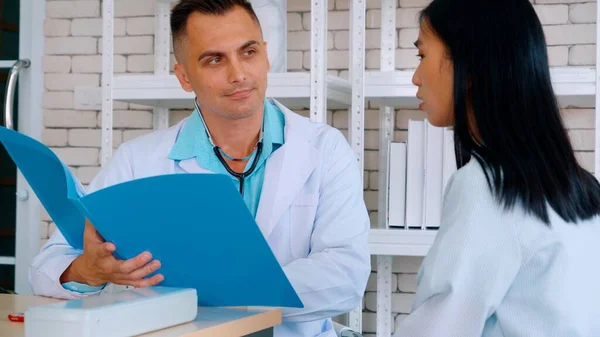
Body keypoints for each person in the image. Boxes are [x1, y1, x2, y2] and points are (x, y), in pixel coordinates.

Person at [28, 1, 371, 336]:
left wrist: (213, 288)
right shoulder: (138, 161)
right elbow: (46, 268)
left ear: (266, 55)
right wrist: (89, 270)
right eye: (214, 60)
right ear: (184, 76)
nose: (238, 74)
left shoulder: (325, 150)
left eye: (248, 52)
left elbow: (345, 277)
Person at [394, 0, 600, 336]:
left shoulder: (489, 185)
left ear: (470, 64)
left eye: (422, 56)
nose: (415, 77)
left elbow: (439, 329)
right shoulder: (579, 185)